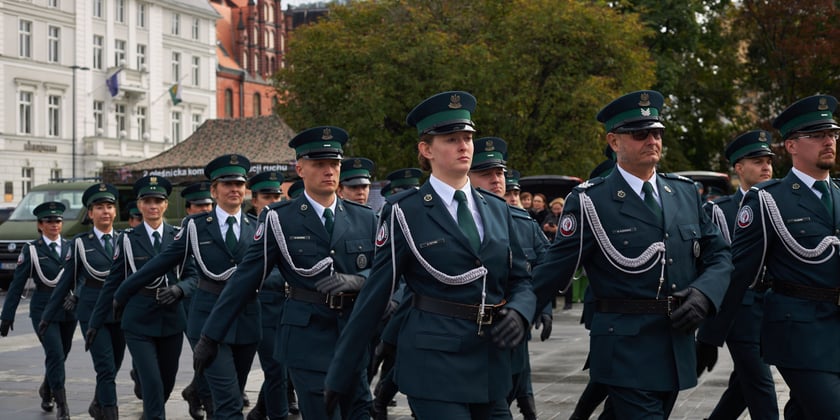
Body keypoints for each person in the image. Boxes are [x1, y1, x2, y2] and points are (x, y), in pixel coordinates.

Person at [325, 91, 535, 419]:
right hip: (434, 364)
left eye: (467, 137)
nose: (464, 145)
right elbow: (375, 296)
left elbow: (521, 279)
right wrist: (340, 373)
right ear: (426, 150)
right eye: (451, 139)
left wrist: (521, 311)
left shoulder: (496, 208)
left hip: (490, 364)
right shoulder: (405, 212)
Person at [532, 90, 732, 418]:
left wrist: (704, 294)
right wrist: (516, 310)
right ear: (614, 142)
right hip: (625, 349)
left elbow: (720, 255)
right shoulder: (591, 200)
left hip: (675, 343)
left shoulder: (683, 193)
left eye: (657, 133)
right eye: (641, 134)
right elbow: (552, 270)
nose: (652, 140)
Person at [193, 126, 378, 420]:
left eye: (334, 164)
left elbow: (386, 271)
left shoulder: (364, 218)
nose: (329, 171)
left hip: (353, 336)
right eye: (319, 164)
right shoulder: (280, 219)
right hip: (307, 339)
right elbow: (245, 280)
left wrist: (361, 279)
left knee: (360, 412)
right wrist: (210, 336)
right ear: (300, 168)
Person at [699, 94, 840, 418]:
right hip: (798, 334)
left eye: (832, 134)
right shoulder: (768, 201)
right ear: (791, 146)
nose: (828, 141)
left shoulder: (839, 196)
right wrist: (710, 335)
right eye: (817, 135)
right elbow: (740, 273)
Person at [118, 154, 259, 420]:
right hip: (207, 320)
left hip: (246, 320)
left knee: (230, 397)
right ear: (214, 190)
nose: (234, 189)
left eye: (239, 184)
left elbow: (276, 270)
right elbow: (161, 262)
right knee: (229, 402)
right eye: (226, 184)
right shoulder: (195, 227)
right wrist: (122, 293)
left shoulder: (259, 227)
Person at [89, 175, 195, 420]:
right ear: (139, 205)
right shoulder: (127, 239)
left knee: (166, 382)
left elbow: (194, 276)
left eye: (158, 200)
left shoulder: (180, 237)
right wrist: (96, 322)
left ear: (166, 205)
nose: (153, 206)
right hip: (138, 319)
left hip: (171, 319)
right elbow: (113, 282)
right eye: (147, 201)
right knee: (153, 385)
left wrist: (181, 289)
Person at [695, 130, 778, 419]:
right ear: (738, 168)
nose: (766, 167)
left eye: (769, 161)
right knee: (761, 385)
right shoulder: (719, 211)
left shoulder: (784, 203)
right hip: (740, 309)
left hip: (778, 306)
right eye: (757, 161)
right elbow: (714, 267)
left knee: (743, 385)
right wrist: (709, 329)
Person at [468, 136, 550, 420]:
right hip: (460, 338)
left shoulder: (519, 220)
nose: (496, 180)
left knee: (514, 385)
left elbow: (540, 270)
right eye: (486, 173)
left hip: (510, 325)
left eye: (500, 173)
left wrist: (538, 309)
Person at [40, 183, 124, 420]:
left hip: (119, 310)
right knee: (105, 367)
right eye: (99, 207)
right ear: (90, 213)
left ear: (115, 212)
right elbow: (66, 281)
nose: (105, 211)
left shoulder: (125, 240)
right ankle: (109, 414)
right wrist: (47, 315)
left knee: (115, 366)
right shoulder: (80, 242)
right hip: (91, 311)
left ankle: (98, 403)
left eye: (109, 206)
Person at [1, 202, 73, 419]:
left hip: (68, 310)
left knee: (61, 356)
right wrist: (7, 315)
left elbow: (80, 277)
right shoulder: (32, 250)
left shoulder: (72, 247)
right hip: (43, 310)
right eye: (49, 222)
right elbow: (16, 285)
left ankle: (46, 389)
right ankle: (63, 405)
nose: (54, 225)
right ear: (40, 225)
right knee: (55, 354)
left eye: (58, 221)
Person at [241, 171, 292, 420]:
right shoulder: (250, 230)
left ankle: (260, 412)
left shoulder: (289, 226)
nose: (273, 201)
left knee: (284, 369)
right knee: (276, 369)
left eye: (276, 196)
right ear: (255, 200)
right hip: (264, 306)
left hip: (290, 305)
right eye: (267, 196)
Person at [178, 180, 214, 420]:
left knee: (210, 356)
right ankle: (207, 401)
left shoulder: (215, 228)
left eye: (208, 205)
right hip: (190, 303)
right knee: (204, 355)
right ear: (189, 209)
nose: (205, 210)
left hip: (214, 301)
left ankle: (195, 391)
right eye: (200, 206)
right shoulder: (184, 233)